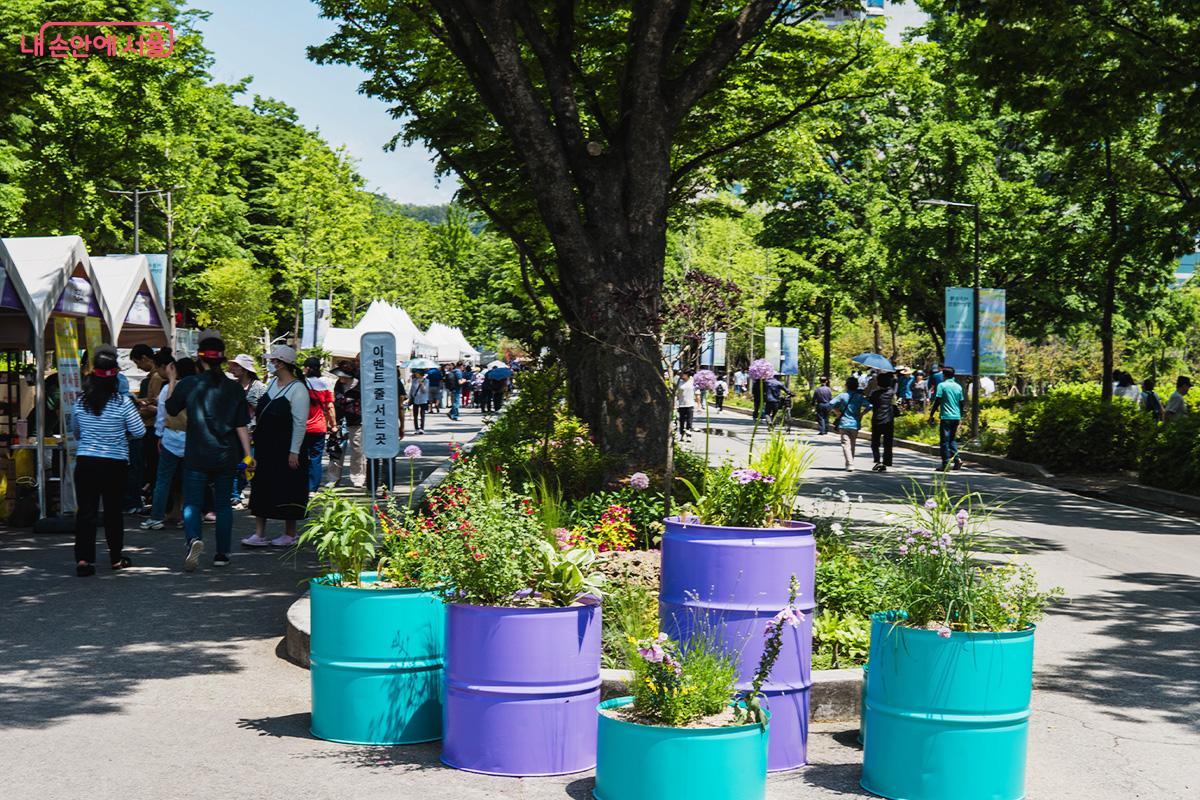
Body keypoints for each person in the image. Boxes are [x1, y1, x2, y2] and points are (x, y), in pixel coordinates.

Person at [165, 332, 254, 571]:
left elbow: (172, 409)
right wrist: (248, 456)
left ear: (199, 357)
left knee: (192, 503)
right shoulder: (234, 389)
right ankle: (222, 554)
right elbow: (241, 425)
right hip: (227, 455)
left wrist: (172, 379)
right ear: (223, 358)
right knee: (223, 505)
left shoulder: (189, 384)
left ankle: (193, 539)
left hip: (196, 454)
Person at [72, 345, 146, 576]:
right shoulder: (123, 403)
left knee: (86, 512)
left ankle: (84, 560)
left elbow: (76, 431)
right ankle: (115, 558)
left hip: (86, 461)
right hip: (114, 463)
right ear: (116, 376)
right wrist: (119, 434)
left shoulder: (80, 402)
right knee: (113, 511)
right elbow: (140, 431)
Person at [243, 346, 310, 548]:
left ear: (281, 363)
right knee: (262, 485)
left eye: (273, 361)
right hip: (266, 445)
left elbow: (300, 422)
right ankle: (259, 532)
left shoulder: (298, 389)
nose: (270, 364)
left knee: (289, 487)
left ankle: (290, 533)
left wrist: (294, 451)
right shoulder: (272, 383)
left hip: (286, 446)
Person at [141, 356, 196, 530]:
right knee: (189, 480)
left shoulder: (168, 389)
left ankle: (156, 517)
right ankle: (187, 517)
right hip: (192, 439)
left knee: (163, 480)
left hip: (171, 437)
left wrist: (159, 435)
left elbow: (162, 415)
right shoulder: (198, 388)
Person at [228, 354, 266, 506]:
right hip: (235, 432)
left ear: (244, 370)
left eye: (236, 366)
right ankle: (235, 494)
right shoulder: (233, 387)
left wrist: (251, 404)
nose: (232, 369)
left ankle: (246, 489)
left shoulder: (260, 388)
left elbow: (264, 411)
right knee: (237, 465)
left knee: (248, 463)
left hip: (253, 433)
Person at [301, 357, 336, 495]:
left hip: (301, 428)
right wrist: (333, 425)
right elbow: (330, 407)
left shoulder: (300, 383)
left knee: (301, 457)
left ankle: (301, 485)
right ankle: (312, 489)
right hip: (319, 427)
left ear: (308, 368)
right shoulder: (325, 384)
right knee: (316, 458)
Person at [327, 361, 364, 487]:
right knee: (336, 449)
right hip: (339, 421)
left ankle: (358, 477)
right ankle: (333, 478)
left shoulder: (360, 386)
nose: (341, 378)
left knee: (358, 450)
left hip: (356, 421)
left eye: (343, 376)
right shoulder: (338, 385)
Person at [829, 376, 871, 471]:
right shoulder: (859, 397)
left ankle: (849, 464)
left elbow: (831, 404)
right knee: (852, 444)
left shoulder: (842, 396)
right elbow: (870, 405)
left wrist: (838, 412)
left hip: (844, 423)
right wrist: (862, 414)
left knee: (845, 444)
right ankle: (850, 462)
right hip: (855, 423)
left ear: (846, 385)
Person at [929, 365, 965, 471]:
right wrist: (961, 415)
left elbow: (938, 400)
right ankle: (957, 459)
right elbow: (962, 402)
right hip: (956, 416)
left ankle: (945, 464)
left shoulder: (942, 385)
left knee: (944, 441)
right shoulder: (958, 386)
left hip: (946, 417)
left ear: (944, 375)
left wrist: (931, 414)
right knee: (952, 440)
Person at [869, 372, 897, 472]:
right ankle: (887, 461)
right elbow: (895, 404)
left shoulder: (875, 393)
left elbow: (870, 401)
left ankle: (877, 460)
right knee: (888, 442)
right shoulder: (892, 393)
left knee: (875, 443)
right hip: (889, 420)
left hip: (877, 420)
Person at [675, 370, 697, 438]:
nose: (681, 375)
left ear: (687, 374)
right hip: (681, 404)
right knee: (681, 420)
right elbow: (676, 393)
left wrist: (699, 404)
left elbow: (697, 392)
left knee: (689, 420)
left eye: (683, 374)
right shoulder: (679, 382)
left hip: (690, 404)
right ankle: (682, 433)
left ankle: (688, 433)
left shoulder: (693, 381)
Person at [408, 369, 430, 433]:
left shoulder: (426, 381)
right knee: (415, 414)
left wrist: (422, 384)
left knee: (422, 414)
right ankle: (416, 428)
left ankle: (422, 428)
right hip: (415, 399)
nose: (415, 374)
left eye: (417, 373)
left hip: (423, 399)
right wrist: (410, 397)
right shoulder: (414, 380)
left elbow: (425, 391)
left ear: (420, 374)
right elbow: (412, 389)